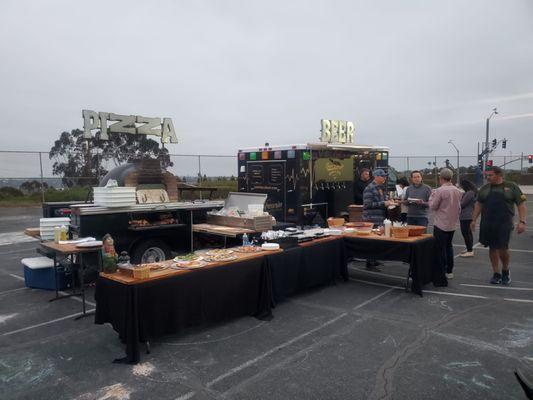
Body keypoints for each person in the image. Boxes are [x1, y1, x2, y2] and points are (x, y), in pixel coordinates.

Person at [470, 166, 527, 285]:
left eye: (490, 175)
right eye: (487, 175)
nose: (487, 177)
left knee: (502, 248)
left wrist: (522, 222)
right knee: (492, 248)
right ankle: (496, 273)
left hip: (504, 223)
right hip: (488, 223)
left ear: (499, 175)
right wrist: (473, 220)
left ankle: (505, 271)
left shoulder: (512, 187)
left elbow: (521, 205)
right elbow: (479, 205)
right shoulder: (485, 188)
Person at [429, 168, 462, 286]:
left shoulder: (439, 190)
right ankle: (449, 270)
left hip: (441, 224)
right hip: (452, 224)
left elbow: (433, 206)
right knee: (449, 247)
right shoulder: (457, 190)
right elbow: (459, 207)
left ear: (440, 178)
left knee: (440, 249)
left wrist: (431, 196)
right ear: (451, 178)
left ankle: (441, 272)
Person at [363, 169, 395, 270]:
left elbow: (382, 199)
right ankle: (369, 263)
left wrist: (389, 201)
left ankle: (374, 260)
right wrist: (384, 203)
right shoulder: (369, 188)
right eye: (382, 176)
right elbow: (367, 205)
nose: (385, 178)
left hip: (379, 218)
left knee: (377, 241)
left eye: (385, 176)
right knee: (371, 242)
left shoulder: (379, 187)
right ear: (376, 177)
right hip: (371, 219)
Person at [459, 179, 477, 257]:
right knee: (468, 233)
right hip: (467, 215)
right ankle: (469, 248)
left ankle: (470, 250)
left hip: (466, 216)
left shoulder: (470, 193)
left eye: (461, 185)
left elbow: (462, 204)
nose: (461, 187)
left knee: (466, 233)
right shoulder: (470, 192)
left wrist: (456, 202)